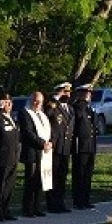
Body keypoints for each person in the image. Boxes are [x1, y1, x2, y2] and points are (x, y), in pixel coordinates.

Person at [18, 91, 53, 217]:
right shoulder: (25, 113)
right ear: (31, 100)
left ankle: (37, 207)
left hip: (44, 152)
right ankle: (28, 208)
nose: (37, 103)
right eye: (35, 100)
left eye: (40, 101)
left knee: (40, 180)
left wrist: (50, 143)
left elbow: (50, 130)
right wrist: (42, 143)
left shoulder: (42, 115)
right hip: (32, 152)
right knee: (31, 181)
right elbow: (28, 132)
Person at [0, 92, 20, 221]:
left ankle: (5, 209)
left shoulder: (10, 117)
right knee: (0, 185)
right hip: (2, 156)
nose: (8, 105)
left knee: (9, 186)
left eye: (9, 103)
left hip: (12, 156)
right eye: (5, 102)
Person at [46, 82, 75, 212]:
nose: (67, 94)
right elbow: (47, 113)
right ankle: (52, 204)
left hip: (65, 147)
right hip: (56, 147)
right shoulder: (53, 106)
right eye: (64, 92)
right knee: (54, 177)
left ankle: (60, 202)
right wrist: (55, 98)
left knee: (62, 177)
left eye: (68, 92)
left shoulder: (69, 108)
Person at [71, 84, 98, 209]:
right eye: (87, 93)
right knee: (80, 174)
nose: (89, 96)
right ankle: (78, 200)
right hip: (80, 146)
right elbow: (78, 120)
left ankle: (86, 199)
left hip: (90, 145)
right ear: (81, 94)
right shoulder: (77, 107)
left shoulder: (89, 108)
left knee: (88, 174)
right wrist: (81, 102)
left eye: (90, 93)